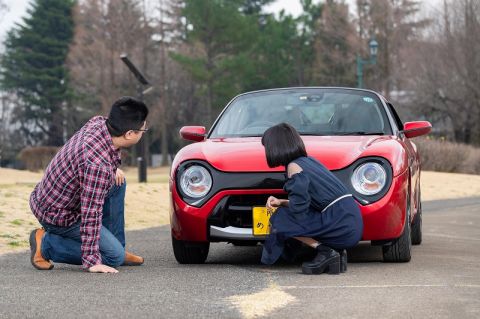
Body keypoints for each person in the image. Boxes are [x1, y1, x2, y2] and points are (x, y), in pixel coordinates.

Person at [29, 96, 149, 273]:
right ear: (129, 134)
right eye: (143, 130)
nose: (144, 131)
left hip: (53, 198)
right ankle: (46, 243)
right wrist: (93, 260)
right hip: (58, 216)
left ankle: (117, 248)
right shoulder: (96, 166)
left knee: (117, 183)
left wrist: (112, 168)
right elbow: (90, 212)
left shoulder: (99, 123)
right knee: (111, 257)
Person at [261, 123, 363, 274]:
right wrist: (281, 202)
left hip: (340, 222)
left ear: (275, 146)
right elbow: (307, 203)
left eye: (267, 146)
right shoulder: (309, 161)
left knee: (281, 218)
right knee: (287, 215)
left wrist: (281, 217)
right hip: (349, 221)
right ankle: (337, 254)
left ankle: (326, 252)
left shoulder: (294, 167)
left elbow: (298, 209)